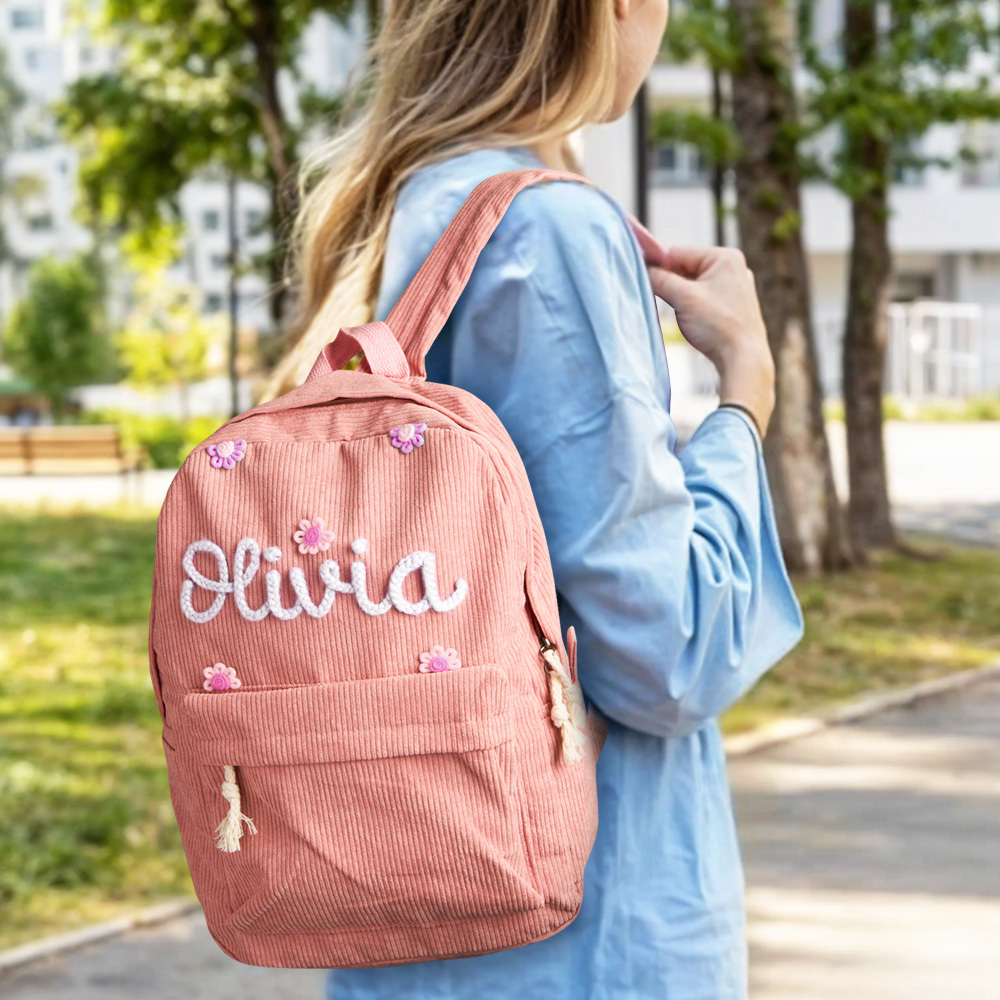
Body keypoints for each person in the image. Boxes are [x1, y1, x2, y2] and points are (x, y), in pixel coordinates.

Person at [274, 0, 804, 996]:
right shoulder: (548, 226)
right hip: (582, 933)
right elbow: (667, 654)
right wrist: (744, 393)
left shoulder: (398, 211)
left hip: (403, 920)